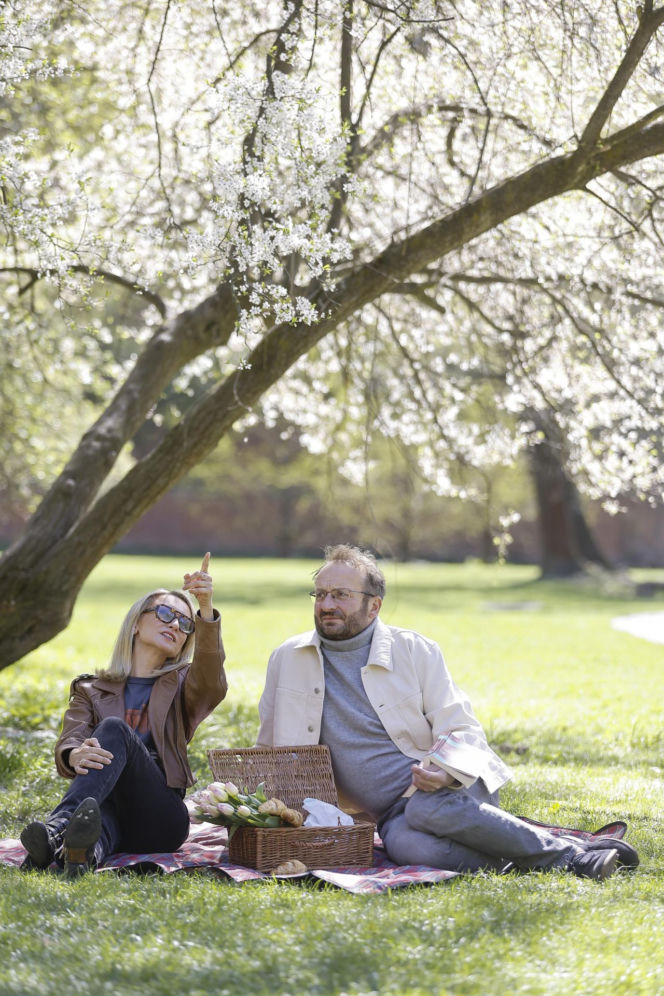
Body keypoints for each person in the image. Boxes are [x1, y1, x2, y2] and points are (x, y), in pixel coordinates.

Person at [257, 543, 638, 879]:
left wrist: (444, 772)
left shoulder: (415, 650)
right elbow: (268, 745)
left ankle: (570, 856)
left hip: (455, 789)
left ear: (373, 606)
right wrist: (250, 803)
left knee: (426, 811)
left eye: (340, 595)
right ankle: (530, 856)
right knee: (409, 849)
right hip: (390, 816)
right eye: (320, 594)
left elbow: (462, 728)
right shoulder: (287, 658)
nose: (326, 605)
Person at [20, 553, 227, 878]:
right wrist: (75, 754)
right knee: (97, 818)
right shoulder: (90, 689)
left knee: (114, 729)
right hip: (107, 804)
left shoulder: (187, 685)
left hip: (160, 816)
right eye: (164, 613)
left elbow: (212, 679)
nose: (175, 624)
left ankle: (55, 828)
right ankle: (78, 856)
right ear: (135, 623)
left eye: (185, 623)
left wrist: (204, 609)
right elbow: (71, 738)